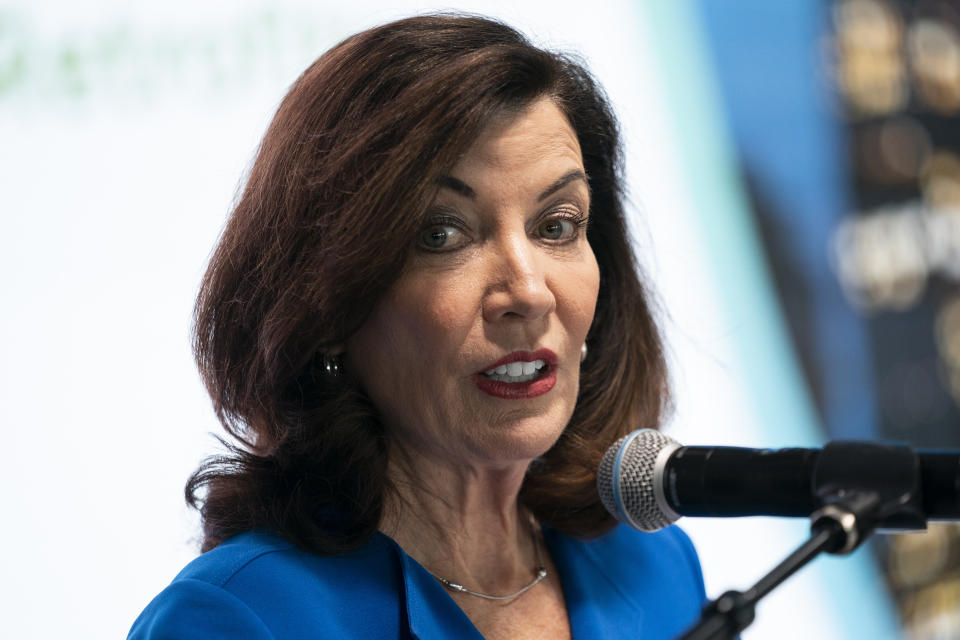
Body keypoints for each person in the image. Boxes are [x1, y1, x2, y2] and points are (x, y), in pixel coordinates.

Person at [128, 13, 706, 640]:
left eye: (557, 225)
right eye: (442, 234)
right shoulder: (243, 618)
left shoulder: (654, 568)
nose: (530, 291)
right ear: (327, 307)